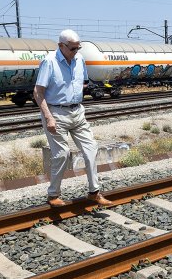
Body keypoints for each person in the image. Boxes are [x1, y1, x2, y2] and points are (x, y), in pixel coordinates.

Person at [34, 29, 113, 207]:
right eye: (72, 49)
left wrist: (73, 97)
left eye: (78, 48)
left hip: (77, 112)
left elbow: (83, 81)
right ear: (61, 46)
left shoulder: (80, 60)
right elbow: (38, 92)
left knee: (91, 148)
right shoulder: (49, 62)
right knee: (62, 154)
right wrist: (48, 117)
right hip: (56, 113)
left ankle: (94, 192)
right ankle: (53, 195)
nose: (76, 52)